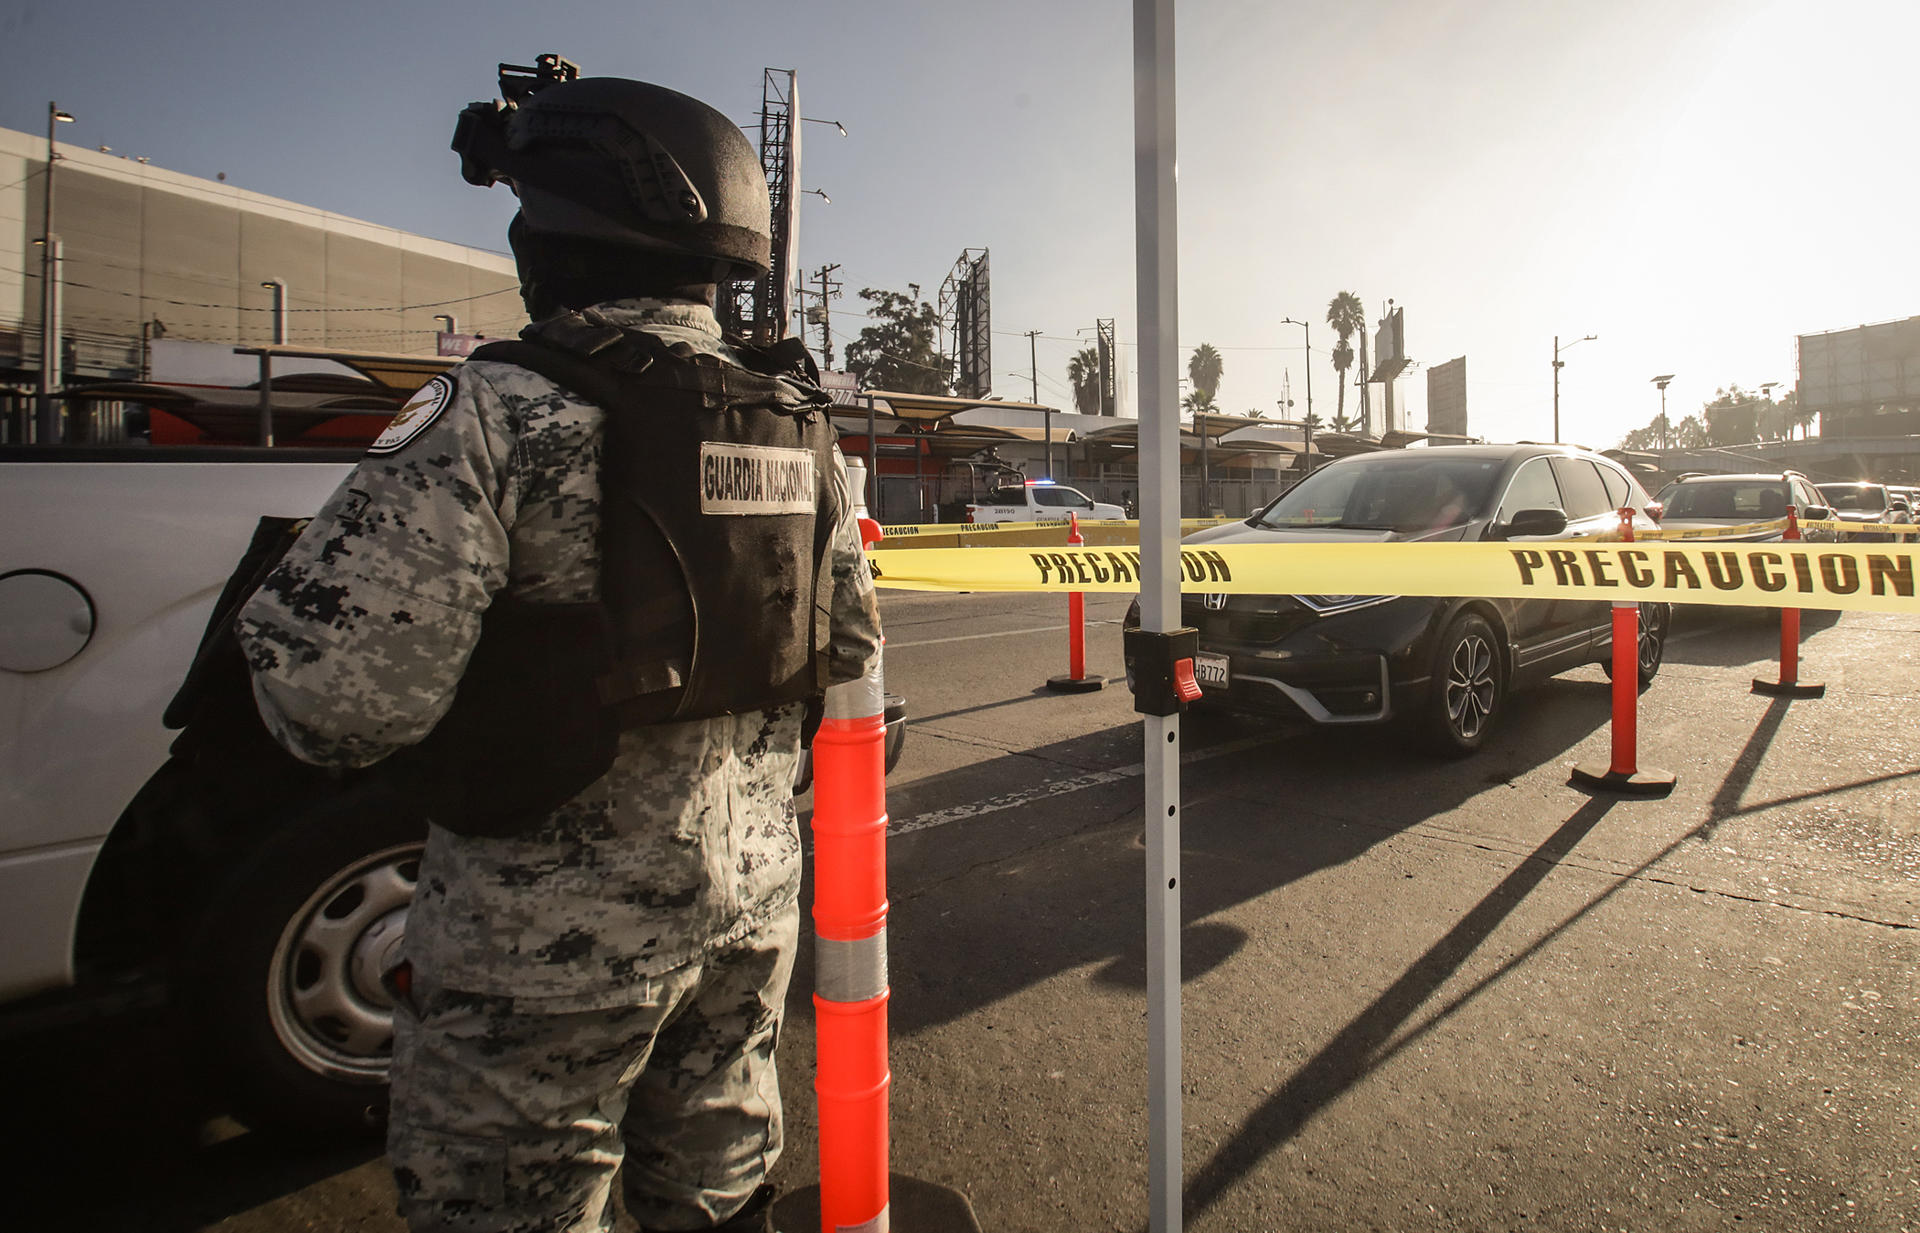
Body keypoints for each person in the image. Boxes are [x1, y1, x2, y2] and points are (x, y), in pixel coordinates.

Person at [236, 54, 882, 1233]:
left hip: (539, 950)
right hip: (745, 918)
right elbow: (846, 645)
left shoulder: (498, 410)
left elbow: (337, 703)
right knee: (719, 1195)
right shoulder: (803, 433)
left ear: (556, 238)